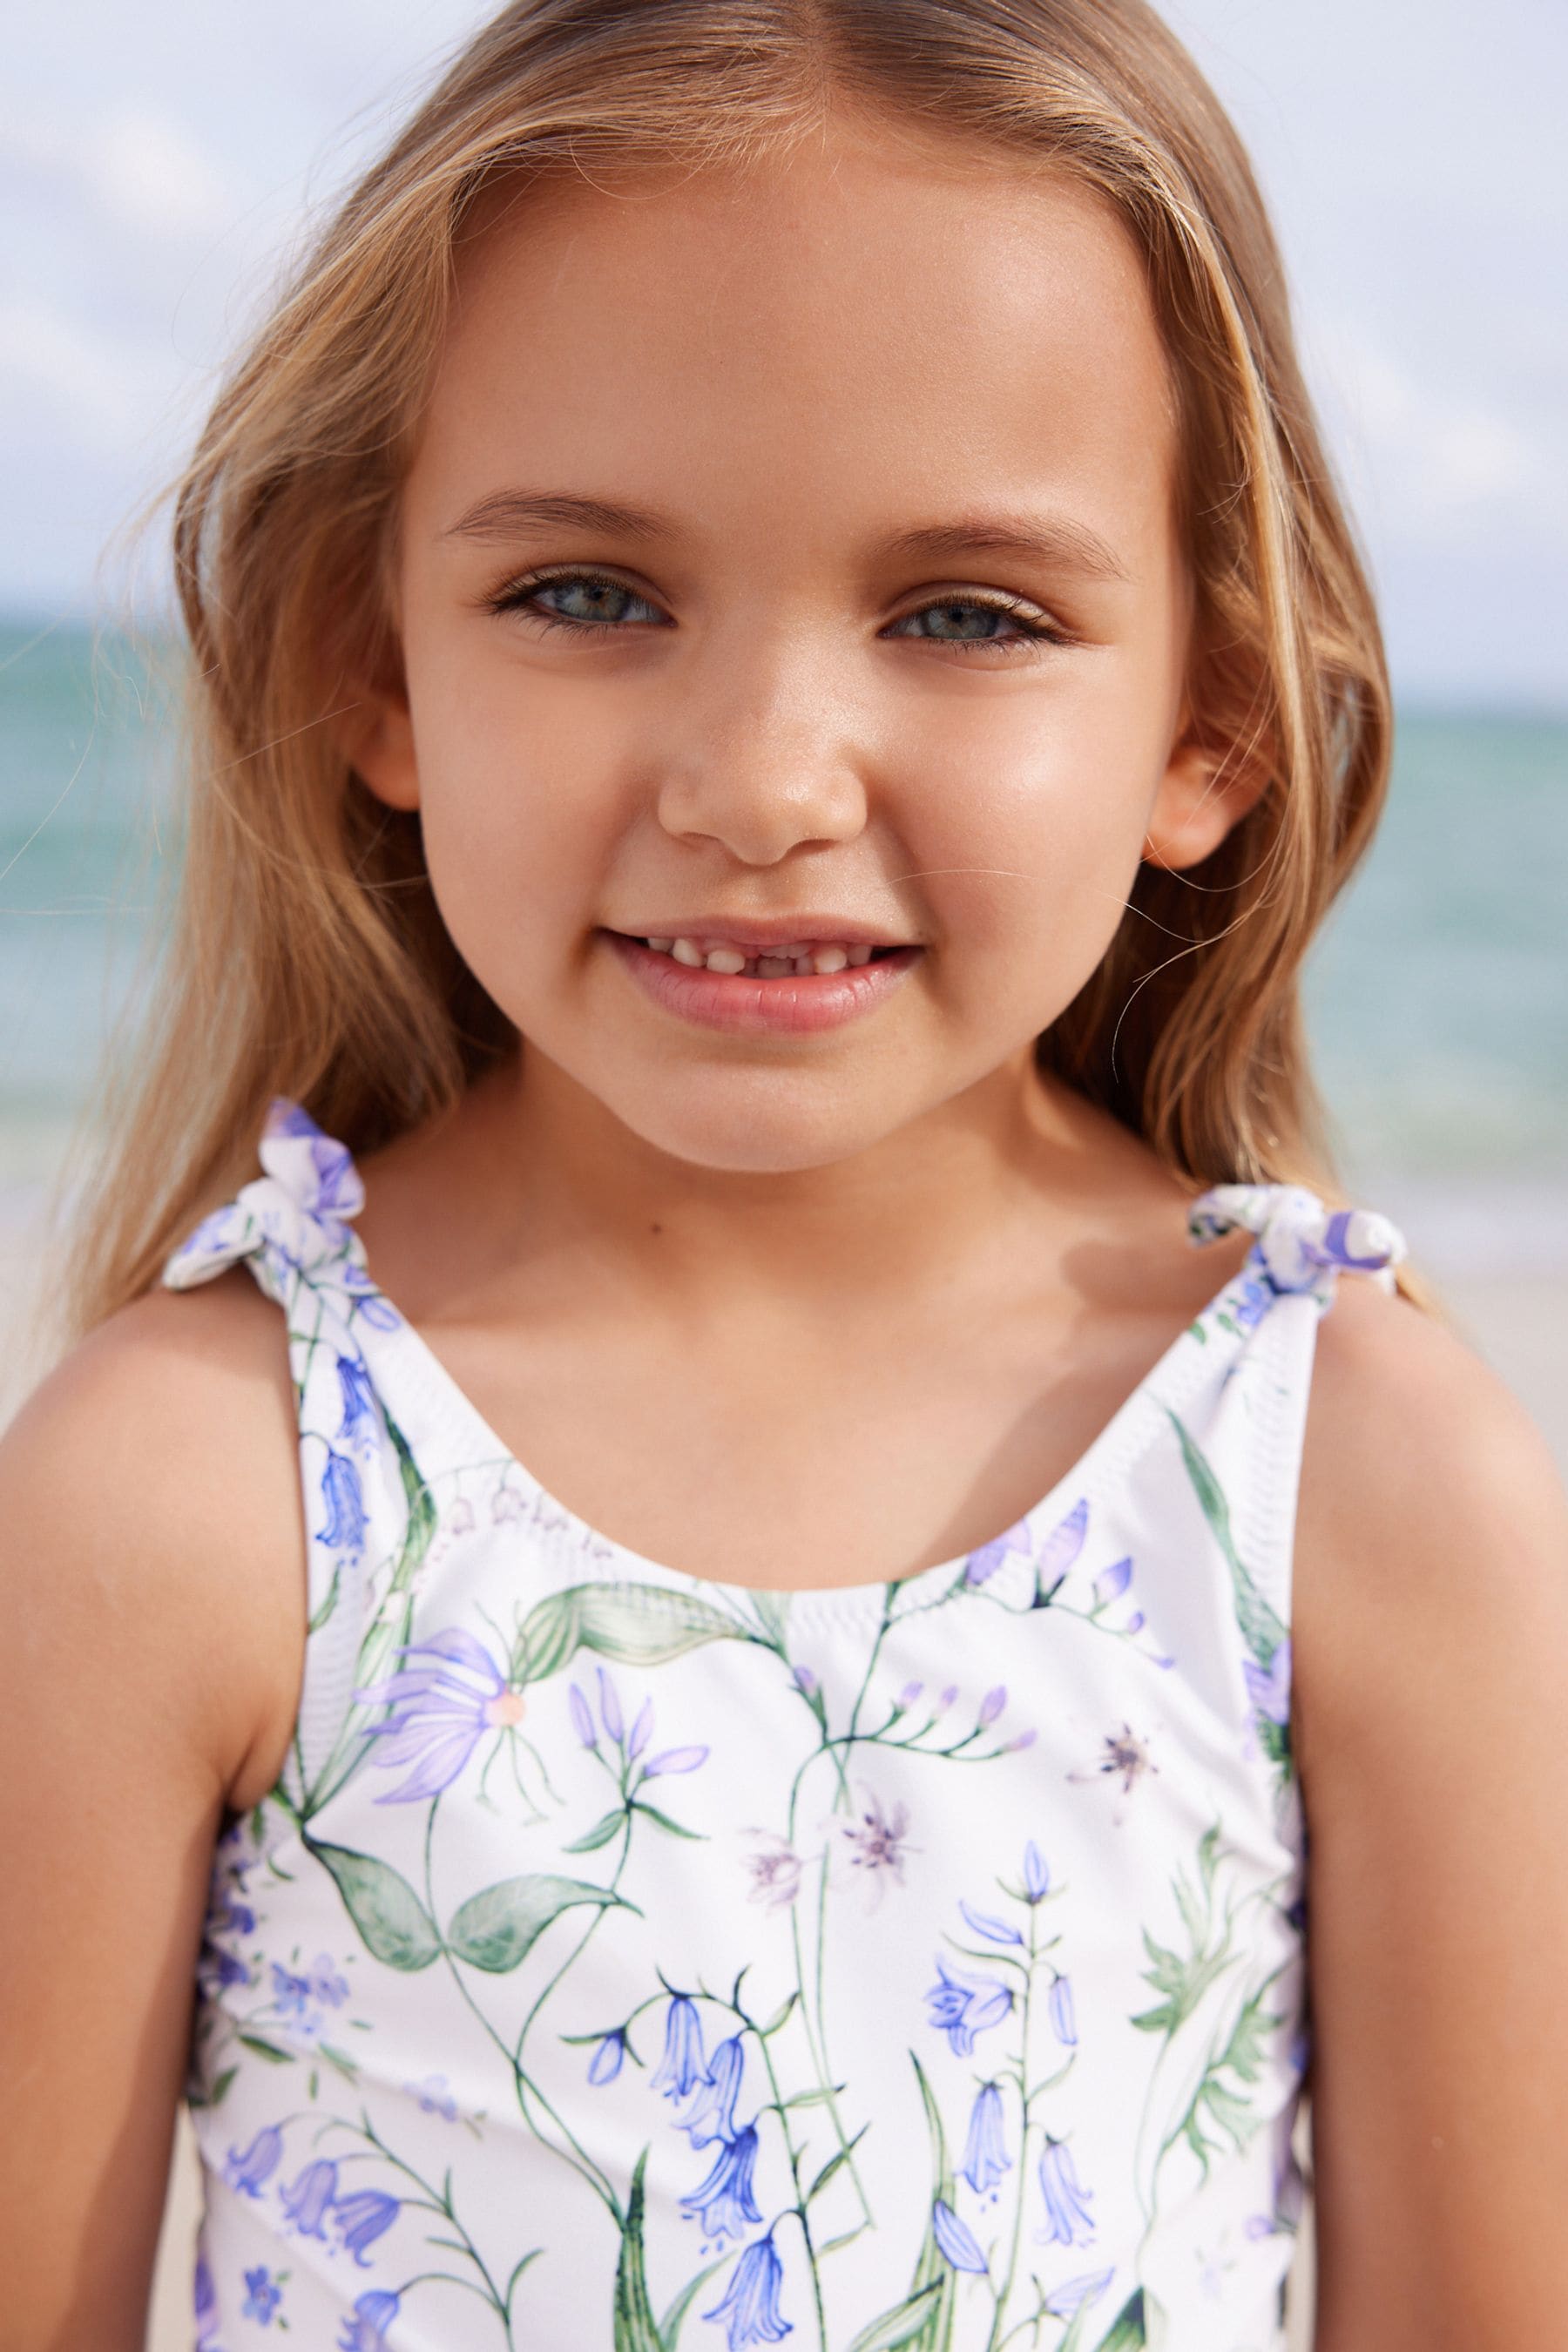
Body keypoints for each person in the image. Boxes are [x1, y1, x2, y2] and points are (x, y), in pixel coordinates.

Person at [4, 2, 1566, 2347]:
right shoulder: (186, 1496)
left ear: (1216, 717)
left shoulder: (1362, 1481)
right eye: (590, 594)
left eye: (964, 614)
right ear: (375, 665)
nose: (759, 775)